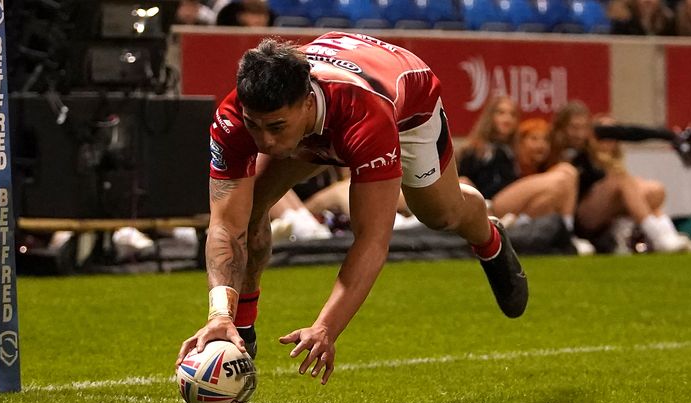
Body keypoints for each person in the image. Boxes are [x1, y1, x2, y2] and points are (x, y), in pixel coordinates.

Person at [175, 32, 529, 384]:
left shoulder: (365, 115)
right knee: (250, 211)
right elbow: (225, 225)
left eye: (275, 127)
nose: (264, 141)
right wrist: (220, 313)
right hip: (326, 114)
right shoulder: (234, 117)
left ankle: (489, 236)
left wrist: (326, 327)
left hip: (404, 107)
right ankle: (242, 332)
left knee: (441, 214)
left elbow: (372, 240)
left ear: (306, 104)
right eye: (255, 126)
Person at [547, 101, 691, 252]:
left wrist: (671, 136)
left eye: (583, 127)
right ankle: (659, 238)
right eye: (574, 128)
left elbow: (631, 132)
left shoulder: (592, 137)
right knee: (621, 179)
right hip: (578, 218)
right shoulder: (553, 146)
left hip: (599, 213)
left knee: (654, 191)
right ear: (562, 128)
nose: (579, 133)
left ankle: (668, 236)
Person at [456, 99, 590, 253]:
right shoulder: (475, 149)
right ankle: (567, 236)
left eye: (512, 114)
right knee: (566, 173)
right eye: (501, 113)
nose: (507, 118)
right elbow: (462, 182)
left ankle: (525, 230)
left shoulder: (515, 150)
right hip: (491, 205)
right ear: (489, 117)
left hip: (512, 205)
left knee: (552, 194)